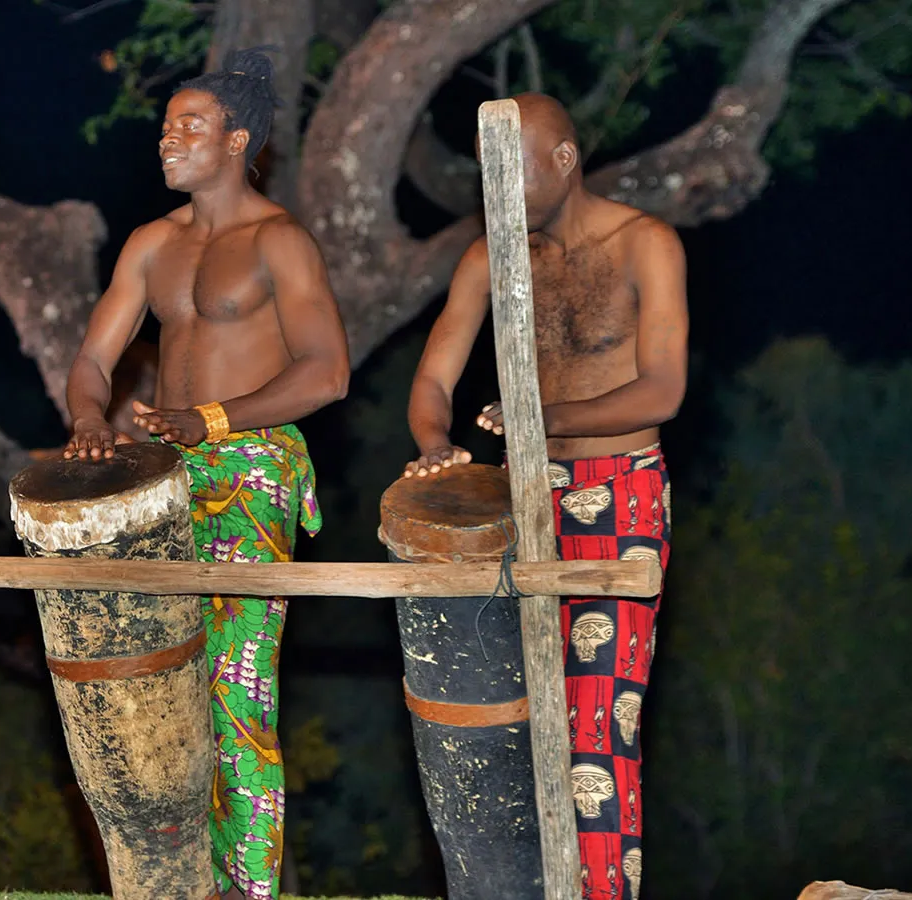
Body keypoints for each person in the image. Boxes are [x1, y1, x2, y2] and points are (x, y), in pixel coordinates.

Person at [61, 47, 350, 900]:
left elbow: (327, 373)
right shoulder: (152, 243)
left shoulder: (279, 240)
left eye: (189, 125)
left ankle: (248, 889)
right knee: (154, 690)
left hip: (251, 468)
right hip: (164, 469)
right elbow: (94, 360)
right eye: (165, 126)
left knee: (236, 697)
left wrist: (214, 419)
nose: (167, 139)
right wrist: (88, 419)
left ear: (236, 140)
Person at [402, 92, 686, 900]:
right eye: (486, 171)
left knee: (596, 728)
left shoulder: (645, 243)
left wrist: (543, 416)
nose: (498, 188)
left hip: (620, 490)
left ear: (564, 159)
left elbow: (664, 389)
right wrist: (435, 443)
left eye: (513, 169)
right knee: (509, 727)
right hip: (520, 500)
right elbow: (433, 378)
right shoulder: (490, 255)